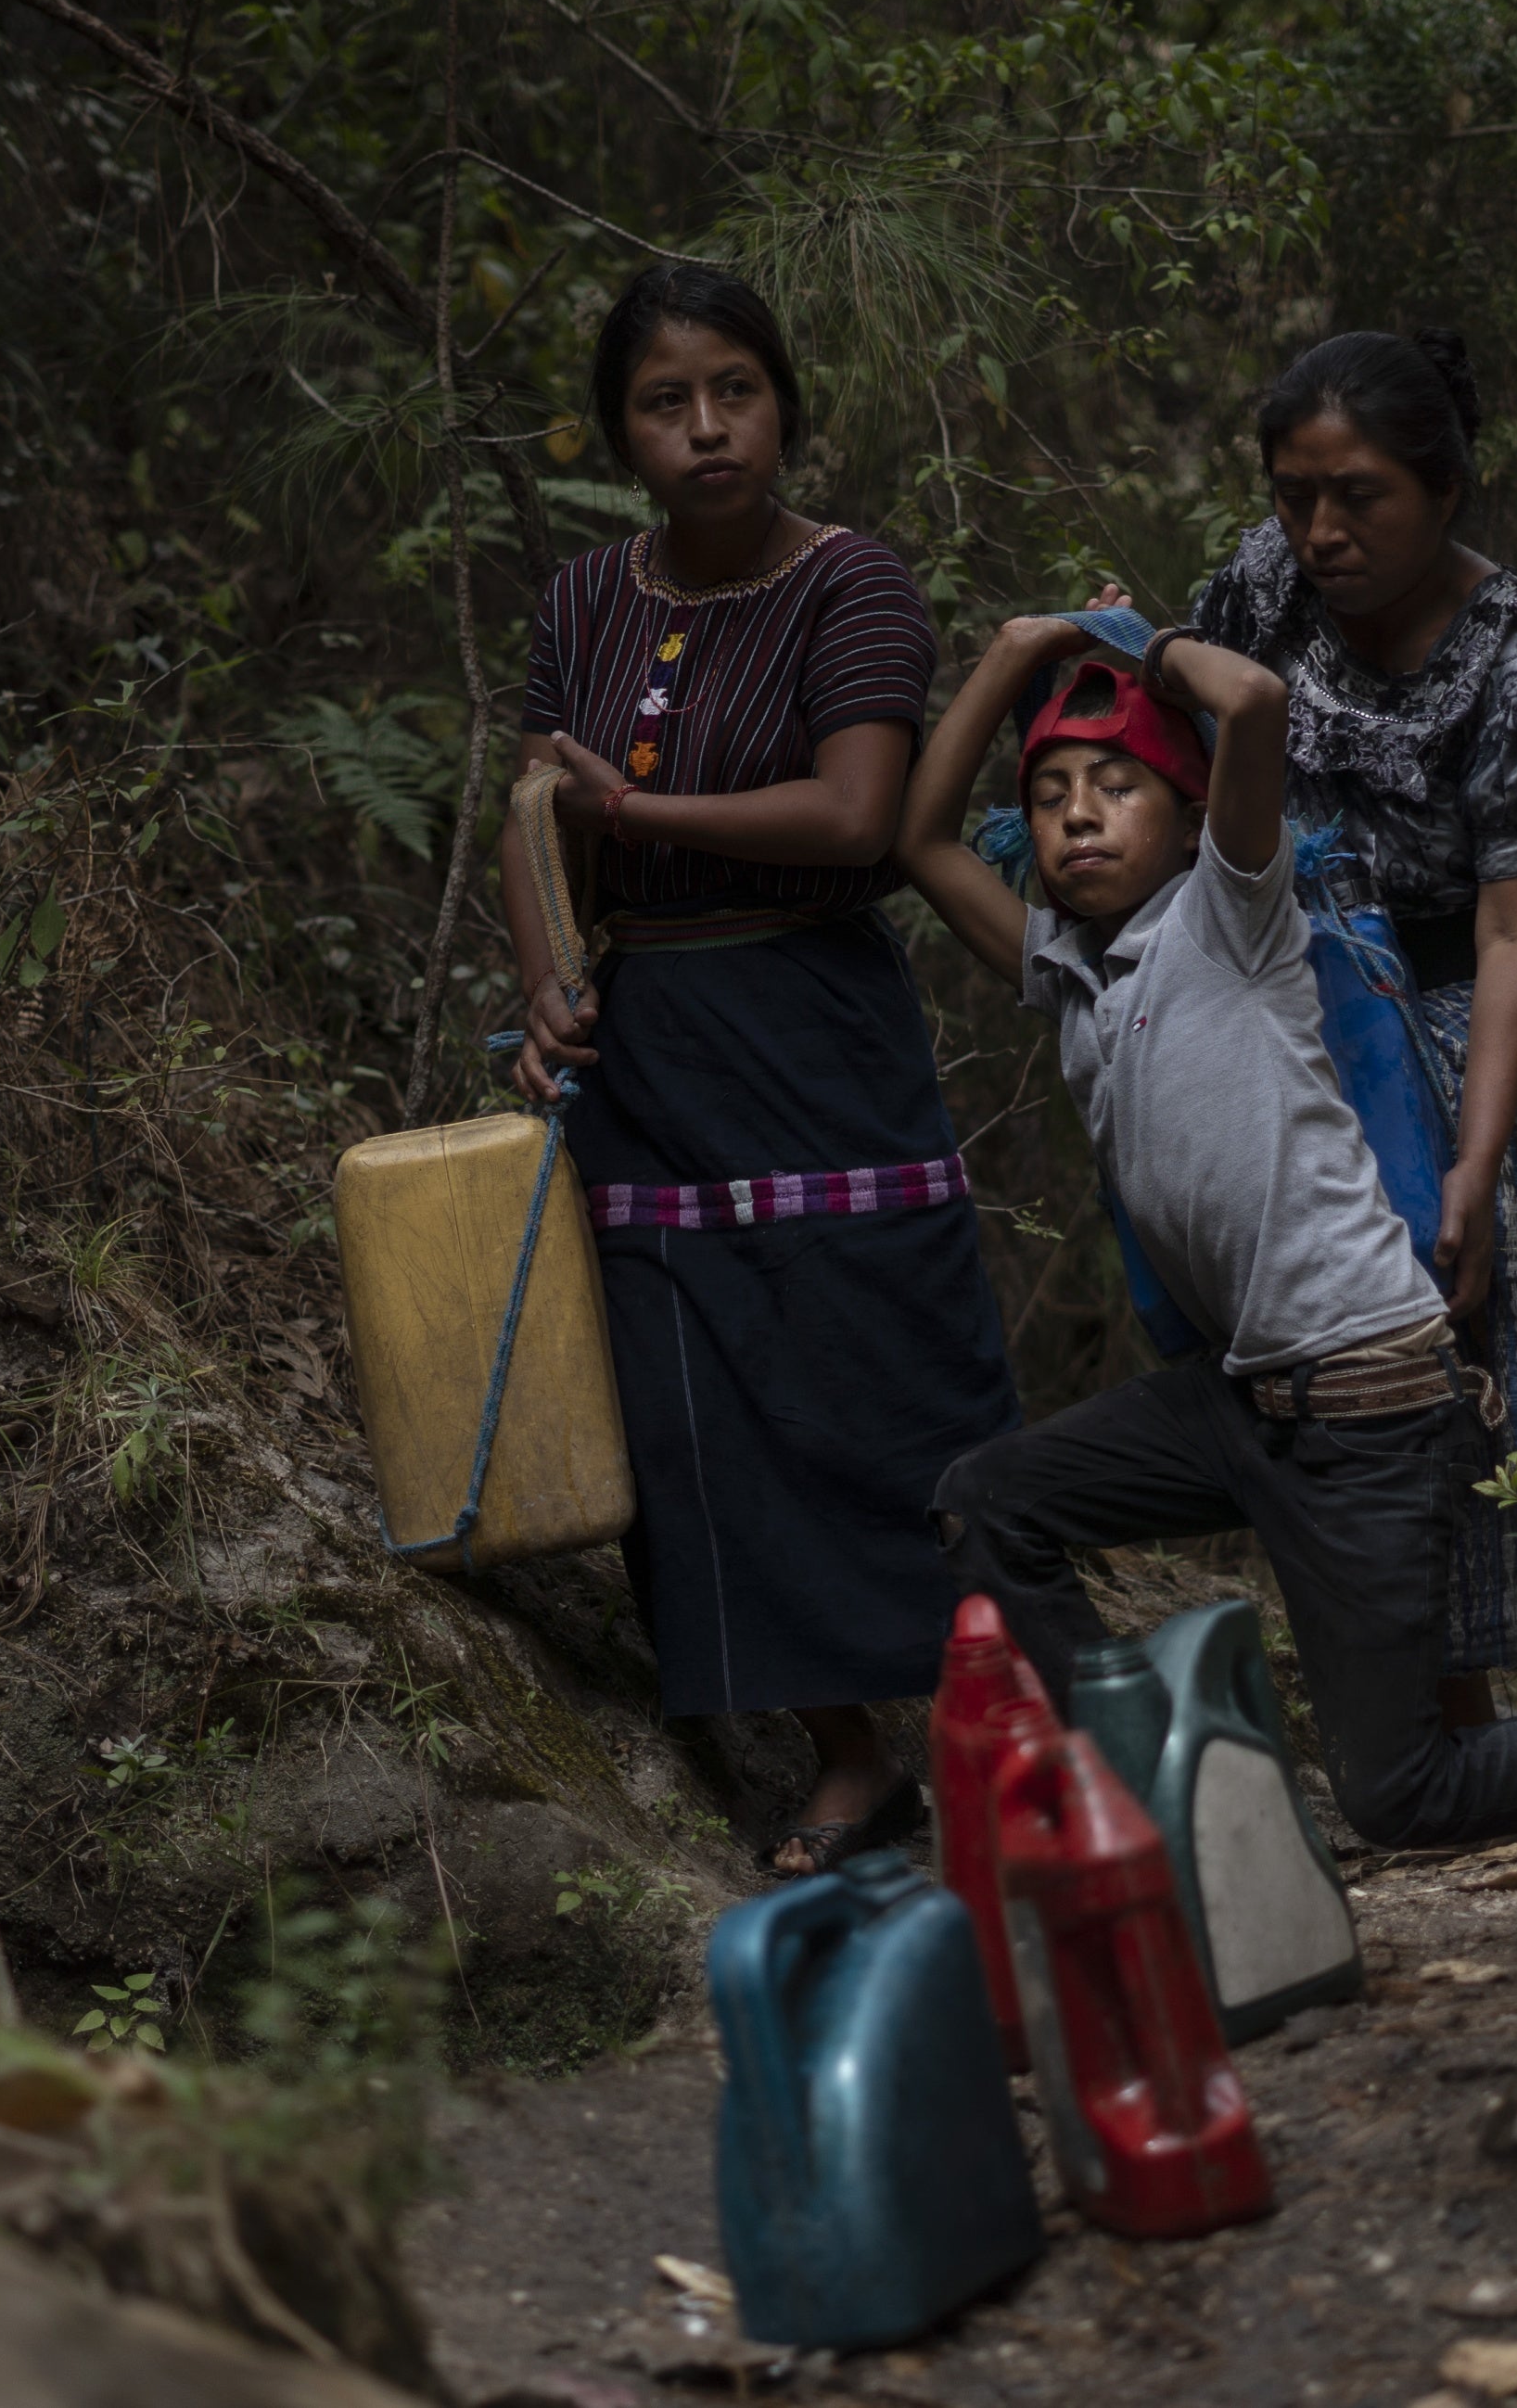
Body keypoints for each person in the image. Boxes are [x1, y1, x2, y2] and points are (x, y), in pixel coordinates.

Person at [889, 611, 1517, 1848]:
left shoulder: (1229, 919)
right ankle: (1146, 1790)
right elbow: (913, 839)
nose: (1076, 815)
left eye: (1117, 787)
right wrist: (1015, 652)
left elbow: (1260, 706)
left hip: (1369, 1406)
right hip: (1238, 1405)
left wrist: (1135, 643)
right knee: (984, 1501)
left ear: (1185, 818)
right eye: (1054, 794)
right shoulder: (1066, 968)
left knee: (1400, 1795)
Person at [497, 264, 1018, 1874]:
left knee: (880, 1362)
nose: (708, 427)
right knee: (695, 1401)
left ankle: (1001, 1725)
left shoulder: (852, 586)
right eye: (667, 402)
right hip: (647, 1054)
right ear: (621, 434)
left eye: (735, 390)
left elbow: (857, 815)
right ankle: (847, 1758)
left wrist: (633, 821)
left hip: (815, 1035)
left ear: (784, 404)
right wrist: (542, 978)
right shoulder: (585, 600)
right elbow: (531, 805)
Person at [1176, 327, 1517, 1707]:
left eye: (1361, 496)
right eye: (1297, 495)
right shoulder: (1258, 587)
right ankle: (1437, 1720)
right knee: (1379, 1347)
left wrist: (1472, 1156)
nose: (1323, 529)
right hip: (1329, 996)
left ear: (1446, 490)